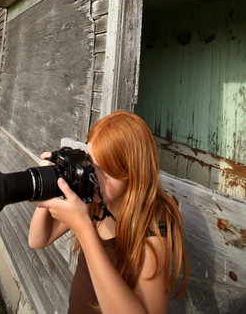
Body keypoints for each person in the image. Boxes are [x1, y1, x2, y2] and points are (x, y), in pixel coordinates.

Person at [28, 110, 187, 314]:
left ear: (132, 174)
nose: (93, 176)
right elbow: (37, 239)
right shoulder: (95, 201)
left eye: (104, 170)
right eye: (91, 165)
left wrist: (83, 229)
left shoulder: (153, 230)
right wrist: (50, 184)